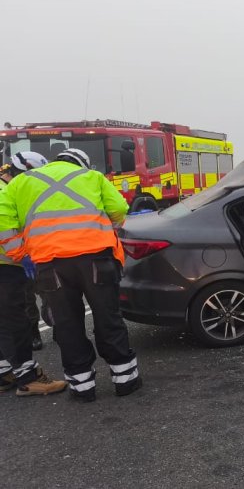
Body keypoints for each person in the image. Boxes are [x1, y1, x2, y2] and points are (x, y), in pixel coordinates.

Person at [0, 148, 141, 402]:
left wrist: (21, 253)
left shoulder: (20, 183)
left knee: (67, 322)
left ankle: (82, 386)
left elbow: (4, 219)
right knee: (107, 315)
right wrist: (107, 228)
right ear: (81, 163)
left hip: (50, 263)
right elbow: (119, 208)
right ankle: (125, 380)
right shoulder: (92, 177)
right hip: (96, 259)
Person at [0, 151, 66, 396]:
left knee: (3, 322)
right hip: (6, 266)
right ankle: (29, 378)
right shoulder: (6, 191)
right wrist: (22, 254)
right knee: (15, 322)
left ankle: (5, 373)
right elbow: (4, 226)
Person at [1, 162, 46, 350]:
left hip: (33, 251)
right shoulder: (7, 190)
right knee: (28, 297)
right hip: (17, 257)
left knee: (46, 291)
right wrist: (21, 255)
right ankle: (33, 334)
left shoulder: (16, 188)